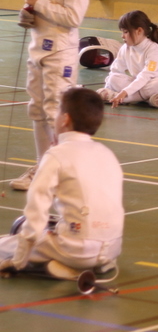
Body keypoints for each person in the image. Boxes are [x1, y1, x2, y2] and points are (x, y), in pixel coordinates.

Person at [0, 87, 124, 280]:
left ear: (65, 119)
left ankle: (57, 264)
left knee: (6, 245)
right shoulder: (108, 153)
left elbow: (36, 213)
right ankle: (81, 265)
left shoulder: (56, 155)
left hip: (75, 250)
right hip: (111, 251)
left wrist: (18, 261)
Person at [11, 0, 90, 191]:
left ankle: (60, 170)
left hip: (60, 54)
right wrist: (27, 15)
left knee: (56, 112)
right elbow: (36, 9)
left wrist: (40, 4)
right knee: (36, 110)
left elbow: (73, 17)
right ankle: (43, 166)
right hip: (37, 52)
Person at [99, 10, 158, 109]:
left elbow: (146, 76)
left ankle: (125, 99)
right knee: (113, 78)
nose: (122, 36)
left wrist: (123, 93)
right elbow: (115, 70)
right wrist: (107, 88)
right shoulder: (125, 48)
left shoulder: (154, 50)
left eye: (126, 32)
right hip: (142, 87)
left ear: (139, 31)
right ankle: (152, 99)